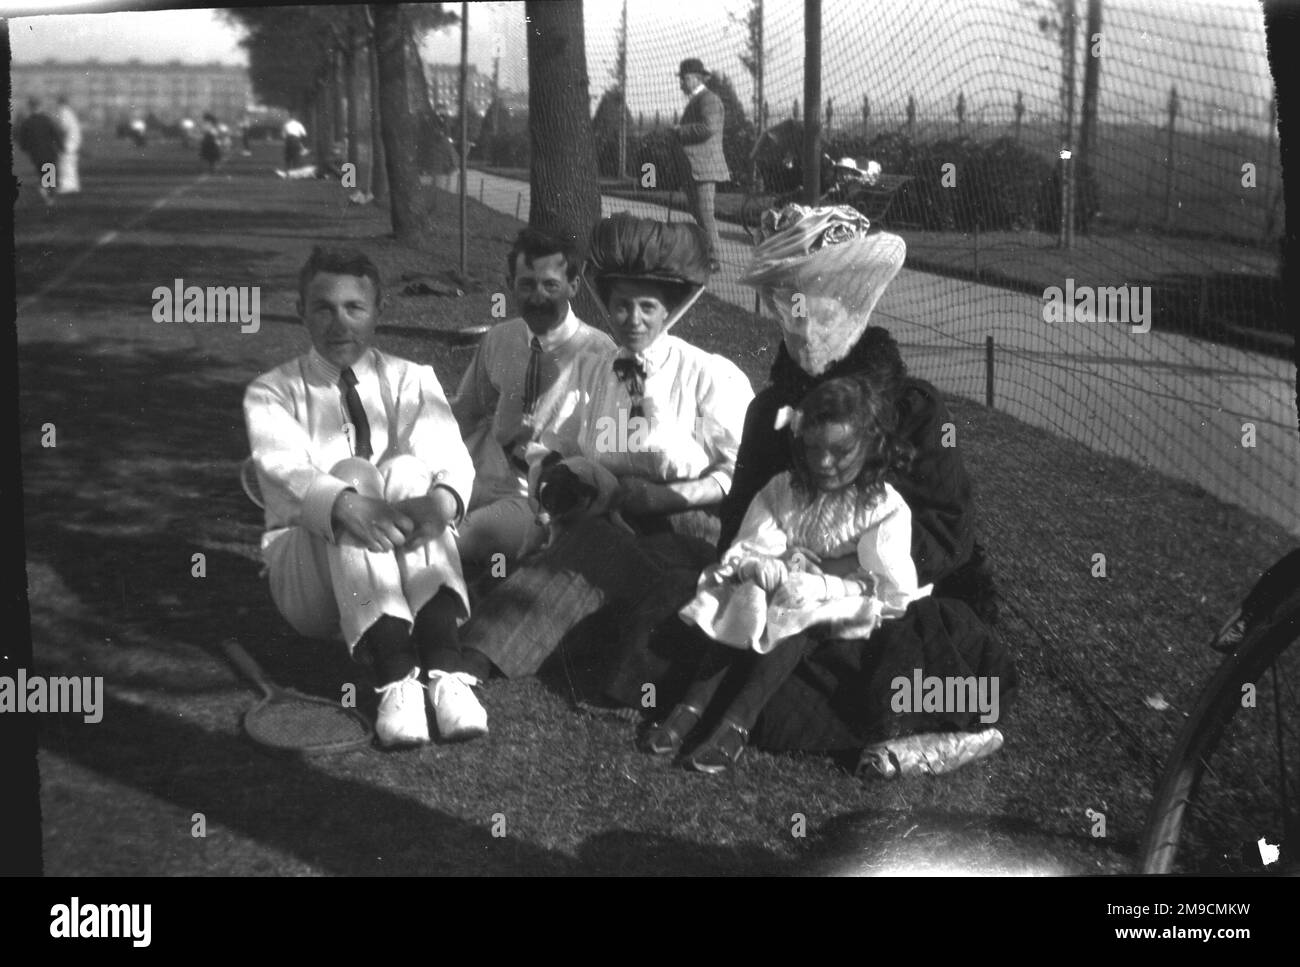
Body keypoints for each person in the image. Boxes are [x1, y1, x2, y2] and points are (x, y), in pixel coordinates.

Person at [633, 204, 1016, 777]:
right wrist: (775, 560)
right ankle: (718, 710)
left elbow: (946, 533)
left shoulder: (912, 408)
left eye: (820, 307)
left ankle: (764, 712)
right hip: (786, 588)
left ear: (855, 303)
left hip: (884, 599)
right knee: (710, 624)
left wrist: (845, 569)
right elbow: (742, 517)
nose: (804, 328)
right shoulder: (770, 414)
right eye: (788, 308)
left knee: (902, 664)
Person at [457, 214, 754, 690]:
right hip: (609, 513)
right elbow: (553, 449)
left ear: (669, 310)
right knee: (586, 547)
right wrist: (567, 483)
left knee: (589, 556)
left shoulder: (708, 376)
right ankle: (480, 651)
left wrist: (665, 499)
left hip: (690, 526)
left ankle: (475, 654)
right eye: (620, 307)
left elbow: (741, 474)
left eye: (646, 308)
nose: (631, 321)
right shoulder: (597, 370)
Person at [243, 246, 491, 748]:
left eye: (355, 307)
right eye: (324, 308)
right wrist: (349, 502)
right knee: (351, 475)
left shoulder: (412, 377)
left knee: (408, 469)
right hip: (309, 582)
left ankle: (445, 671)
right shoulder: (270, 392)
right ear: (301, 312)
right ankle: (396, 676)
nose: (340, 323)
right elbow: (284, 471)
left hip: (398, 552)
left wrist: (440, 502)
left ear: (378, 312)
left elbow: (449, 457)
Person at [653, 375, 943, 772]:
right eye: (813, 448)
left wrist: (825, 582)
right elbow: (751, 544)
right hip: (785, 583)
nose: (824, 463)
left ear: (872, 444)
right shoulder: (784, 490)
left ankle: (736, 723)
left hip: (844, 601)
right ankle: (690, 706)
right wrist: (765, 563)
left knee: (800, 612)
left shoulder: (883, 507)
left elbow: (889, 588)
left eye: (840, 451)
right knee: (747, 594)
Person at [451, 227, 615, 568]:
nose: (537, 296)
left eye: (550, 285)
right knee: (418, 516)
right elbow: (466, 413)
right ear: (511, 283)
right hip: (480, 475)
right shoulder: (499, 338)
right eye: (526, 284)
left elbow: (606, 450)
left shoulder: (599, 354)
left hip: (534, 498)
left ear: (573, 286)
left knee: (459, 542)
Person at [673, 57, 730, 272]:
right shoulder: (698, 100)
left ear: (697, 79)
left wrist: (680, 131)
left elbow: (708, 128)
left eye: (684, 79)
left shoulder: (709, 100)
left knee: (705, 214)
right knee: (699, 213)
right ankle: (706, 256)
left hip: (704, 168)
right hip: (695, 168)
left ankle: (714, 259)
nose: (681, 84)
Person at [16, 98, 64, 206]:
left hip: (36, 154)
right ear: (40, 106)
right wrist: (61, 147)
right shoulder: (47, 120)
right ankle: (49, 197)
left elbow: (22, 140)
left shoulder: (27, 122)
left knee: (43, 173)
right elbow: (56, 135)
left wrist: (26, 149)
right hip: (49, 152)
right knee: (49, 175)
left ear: (30, 108)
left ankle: (46, 192)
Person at [54, 95, 81, 195]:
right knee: (71, 164)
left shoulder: (63, 112)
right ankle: (73, 185)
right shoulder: (69, 112)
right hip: (74, 142)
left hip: (68, 142)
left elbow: (63, 128)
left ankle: (67, 186)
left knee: (65, 164)